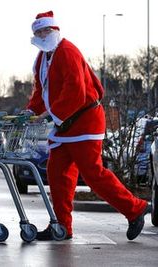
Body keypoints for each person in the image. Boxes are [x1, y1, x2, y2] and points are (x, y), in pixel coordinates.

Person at [25, 10, 148, 241]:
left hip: (85, 120)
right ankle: (62, 227)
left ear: (54, 30)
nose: (42, 34)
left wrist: (49, 115)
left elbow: (76, 91)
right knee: (57, 173)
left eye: (45, 30)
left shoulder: (67, 52)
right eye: (38, 31)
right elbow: (42, 91)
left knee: (92, 173)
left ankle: (135, 209)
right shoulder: (43, 58)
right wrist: (31, 110)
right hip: (65, 126)